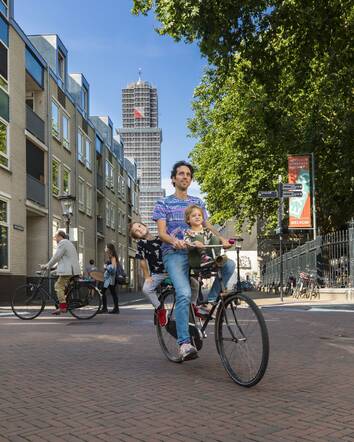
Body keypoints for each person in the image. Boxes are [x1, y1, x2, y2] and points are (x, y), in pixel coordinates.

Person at [152, 161, 235, 361]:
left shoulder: (197, 202)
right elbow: (161, 233)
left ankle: (208, 304)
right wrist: (175, 241)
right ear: (173, 179)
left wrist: (222, 239)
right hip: (175, 253)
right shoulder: (164, 203)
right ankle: (184, 343)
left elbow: (207, 226)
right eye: (180, 173)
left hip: (199, 253)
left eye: (188, 174)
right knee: (184, 293)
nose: (185, 176)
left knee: (229, 264)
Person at [129, 221, 168, 327]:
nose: (139, 229)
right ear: (136, 236)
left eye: (139, 226)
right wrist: (147, 276)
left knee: (193, 283)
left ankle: (193, 305)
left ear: (145, 226)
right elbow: (142, 261)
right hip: (157, 274)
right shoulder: (141, 244)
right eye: (136, 231)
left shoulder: (161, 238)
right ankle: (160, 309)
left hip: (171, 270)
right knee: (146, 289)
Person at [41, 230, 81, 315]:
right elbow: (64, 259)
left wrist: (47, 265)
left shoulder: (63, 243)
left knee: (58, 286)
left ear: (60, 236)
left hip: (68, 270)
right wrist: (54, 268)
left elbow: (56, 257)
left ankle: (62, 307)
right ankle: (62, 303)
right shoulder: (68, 243)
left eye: (56, 237)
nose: (55, 239)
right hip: (72, 269)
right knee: (62, 286)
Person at [99, 243, 120, 314]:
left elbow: (113, 269)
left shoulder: (113, 257)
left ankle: (107, 308)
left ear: (109, 249)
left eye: (105, 247)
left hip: (110, 279)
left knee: (104, 292)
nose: (104, 248)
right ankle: (114, 309)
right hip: (109, 278)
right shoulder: (110, 256)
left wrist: (106, 267)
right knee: (111, 292)